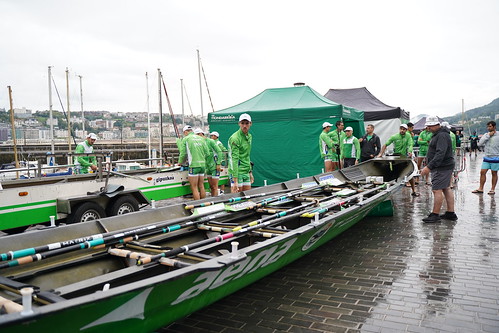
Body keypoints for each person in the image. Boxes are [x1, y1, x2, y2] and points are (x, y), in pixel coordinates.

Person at [420, 116, 457, 223]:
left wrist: (429, 167)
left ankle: (435, 214)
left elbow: (440, 153)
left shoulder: (441, 135)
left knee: (437, 189)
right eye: (428, 126)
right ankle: (450, 213)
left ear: (437, 125)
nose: (428, 128)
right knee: (446, 188)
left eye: (430, 126)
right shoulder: (441, 134)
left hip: (442, 167)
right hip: (444, 166)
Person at [378, 124, 419, 196]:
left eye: (404, 129)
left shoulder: (408, 136)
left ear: (406, 130)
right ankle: (387, 191)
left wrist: (410, 151)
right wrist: (380, 154)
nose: (402, 130)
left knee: (410, 175)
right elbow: (385, 144)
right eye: (401, 129)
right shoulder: (394, 136)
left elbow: (410, 144)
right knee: (393, 173)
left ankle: (413, 191)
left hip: (404, 157)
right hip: (396, 157)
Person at [178, 126, 210, 200]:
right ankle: (204, 204)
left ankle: (197, 206)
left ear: (185, 132)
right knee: (201, 185)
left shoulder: (186, 139)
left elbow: (183, 153)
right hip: (202, 165)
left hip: (193, 165)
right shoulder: (201, 138)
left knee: (194, 187)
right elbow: (207, 153)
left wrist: (180, 162)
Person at [228, 113, 253, 193]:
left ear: (250, 124)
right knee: (236, 201)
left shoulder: (249, 136)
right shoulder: (235, 138)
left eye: (246, 123)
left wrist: (250, 172)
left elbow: (247, 155)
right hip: (237, 172)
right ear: (239, 124)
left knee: (247, 198)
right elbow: (234, 159)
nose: (244, 126)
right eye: (242, 123)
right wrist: (235, 180)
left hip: (246, 171)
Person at [473, 121, 499, 195]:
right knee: (482, 172)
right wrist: (488, 135)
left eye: (490, 126)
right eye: (488, 126)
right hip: (487, 157)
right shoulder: (485, 135)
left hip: (495, 157)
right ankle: (481, 188)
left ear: (494, 127)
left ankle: (492, 189)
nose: (488, 128)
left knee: (494, 173)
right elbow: (480, 143)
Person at [196, 128, 222, 197]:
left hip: (214, 166)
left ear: (201, 134)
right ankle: (212, 201)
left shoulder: (211, 141)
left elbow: (219, 151)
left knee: (214, 186)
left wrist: (218, 163)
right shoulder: (200, 142)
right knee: (211, 186)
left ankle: (215, 201)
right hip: (207, 167)